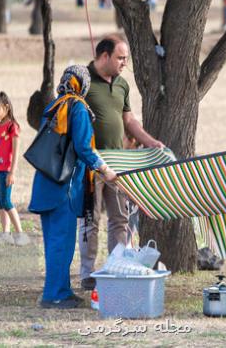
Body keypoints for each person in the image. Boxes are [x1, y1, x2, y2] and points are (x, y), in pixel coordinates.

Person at [29, 65, 118, 309]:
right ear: (83, 85)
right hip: (64, 187)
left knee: (53, 243)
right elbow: (83, 147)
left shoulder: (53, 105)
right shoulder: (77, 107)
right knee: (62, 243)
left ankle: (59, 290)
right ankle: (55, 295)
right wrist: (105, 169)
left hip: (45, 183)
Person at [79, 36, 164, 290]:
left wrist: (150, 142)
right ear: (104, 56)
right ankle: (87, 274)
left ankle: (115, 268)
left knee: (120, 219)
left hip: (117, 164)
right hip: (90, 164)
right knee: (89, 220)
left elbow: (129, 122)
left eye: (126, 58)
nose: (124, 63)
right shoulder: (82, 81)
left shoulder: (123, 84)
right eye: (120, 58)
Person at [0, 92, 27, 245]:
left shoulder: (12, 127)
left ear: (6, 107)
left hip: (6, 170)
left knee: (7, 201)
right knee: (0, 202)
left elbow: (16, 151)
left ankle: (20, 234)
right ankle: (5, 233)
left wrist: (12, 172)